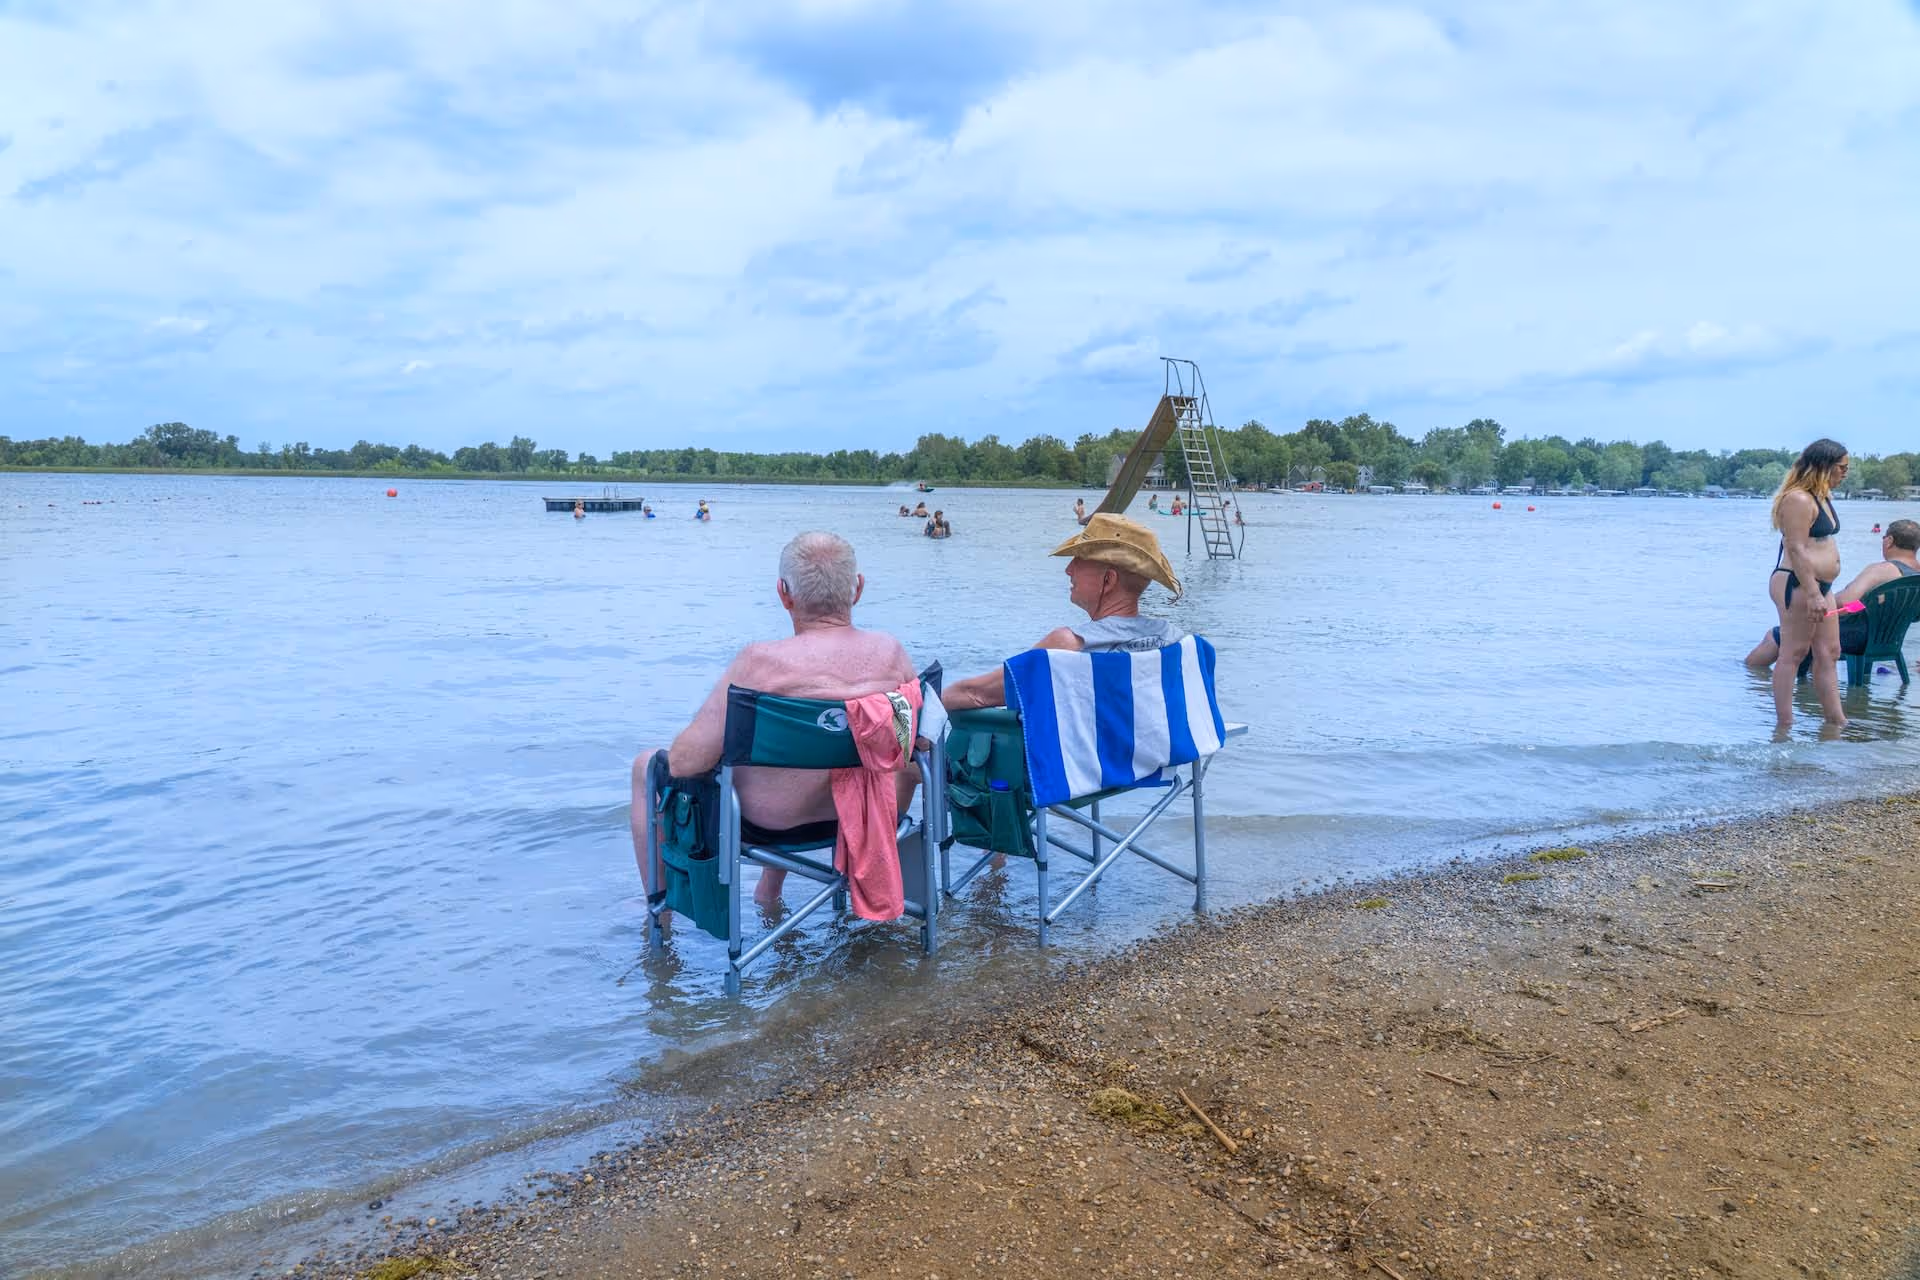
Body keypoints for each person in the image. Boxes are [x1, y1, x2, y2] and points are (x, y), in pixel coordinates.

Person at [630, 532, 918, 910]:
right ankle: (770, 891)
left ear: (784, 593)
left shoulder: (759, 665)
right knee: (823, 750)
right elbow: (916, 740)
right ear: (858, 589)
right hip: (872, 815)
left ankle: (659, 911)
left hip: (771, 824)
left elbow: (685, 762)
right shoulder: (890, 654)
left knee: (645, 766)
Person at [942, 514, 1183, 710]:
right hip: (1158, 770)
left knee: (915, 767)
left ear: (1108, 580)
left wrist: (917, 706)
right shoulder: (1178, 643)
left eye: (1079, 560)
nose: (1069, 570)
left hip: (1083, 770)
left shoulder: (1069, 646)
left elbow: (977, 694)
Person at [1747, 519, 1920, 669]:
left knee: (1777, 635)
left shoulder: (1882, 570)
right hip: (1889, 640)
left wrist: (1821, 600)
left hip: (1856, 637)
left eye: (1883, 538)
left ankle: (1750, 679)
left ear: (1889, 541)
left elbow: (1844, 601)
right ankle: (1806, 691)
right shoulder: (1916, 577)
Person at [1768, 438, 1850, 730]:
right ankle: (1784, 726)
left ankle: (1836, 721)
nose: (1845, 473)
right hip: (1799, 583)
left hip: (1819, 587)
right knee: (1794, 652)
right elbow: (1796, 549)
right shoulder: (1799, 499)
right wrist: (1814, 592)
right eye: (1841, 467)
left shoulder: (1822, 496)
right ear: (1824, 466)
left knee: (1830, 651)